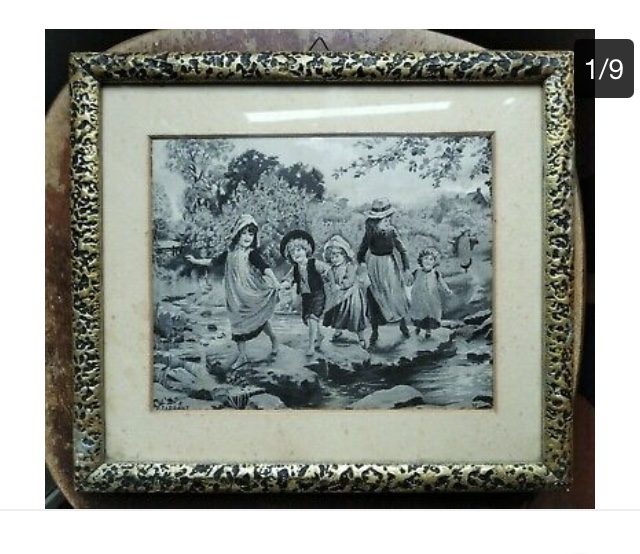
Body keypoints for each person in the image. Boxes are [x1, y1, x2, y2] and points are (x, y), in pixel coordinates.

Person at [185, 214, 280, 369]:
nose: (247, 237)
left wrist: (274, 281)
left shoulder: (252, 253)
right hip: (235, 295)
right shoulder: (230, 252)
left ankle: (274, 338)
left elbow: (264, 267)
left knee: (258, 318)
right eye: (244, 233)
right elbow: (213, 262)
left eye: (251, 234)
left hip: (250, 292)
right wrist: (196, 261)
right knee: (237, 322)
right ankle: (242, 356)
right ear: (237, 234)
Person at [357, 198, 411, 348]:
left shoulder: (391, 232)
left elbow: (402, 250)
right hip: (374, 266)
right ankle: (375, 331)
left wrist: (406, 268)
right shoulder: (370, 233)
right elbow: (361, 251)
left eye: (389, 218)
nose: (388, 222)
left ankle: (402, 324)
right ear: (375, 222)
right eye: (384, 220)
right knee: (374, 297)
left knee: (396, 295)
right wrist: (362, 264)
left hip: (389, 265)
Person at [280, 230, 330, 357]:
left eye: (298, 250)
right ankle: (319, 335)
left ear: (306, 250)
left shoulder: (314, 263)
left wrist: (330, 279)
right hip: (305, 296)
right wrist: (284, 284)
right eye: (292, 252)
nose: (296, 254)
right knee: (307, 319)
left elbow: (327, 270)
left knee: (313, 318)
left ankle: (311, 346)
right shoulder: (295, 268)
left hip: (318, 294)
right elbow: (288, 279)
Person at [321, 234, 368, 349]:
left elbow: (350, 280)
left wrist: (341, 285)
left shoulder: (349, 266)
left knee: (355, 315)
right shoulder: (332, 269)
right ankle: (338, 332)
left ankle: (361, 337)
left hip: (351, 296)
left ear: (345, 255)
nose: (334, 259)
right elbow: (328, 278)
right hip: (339, 297)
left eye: (337, 256)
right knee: (338, 313)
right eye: (332, 257)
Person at [409, 246, 453, 337]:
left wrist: (447, 290)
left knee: (430, 314)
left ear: (434, 262)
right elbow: (410, 281)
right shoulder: (417, 272)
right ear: (421, 260)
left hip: (431, 298)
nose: (428, 261)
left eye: (431, 259)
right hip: (419, 298)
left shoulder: (435, 273)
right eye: (425, 258)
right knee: (419, 313)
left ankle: (428, 330)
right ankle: (418, 327)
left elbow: (442, 283)